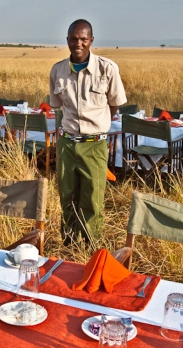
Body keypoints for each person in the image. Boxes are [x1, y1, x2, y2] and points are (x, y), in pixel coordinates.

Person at [49, 19, 127, 246]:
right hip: (67, 143)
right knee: (67, 197)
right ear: (67, 41)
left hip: (94, 144)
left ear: (91, 40)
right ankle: (70, 246)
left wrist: (97, 124)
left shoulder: (107, 69)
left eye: (83, 39)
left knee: (92, 199)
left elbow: (114, 104)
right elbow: (58, 106)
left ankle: (90, 249)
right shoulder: (58, 70)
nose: (78, 43)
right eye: (74, 39)